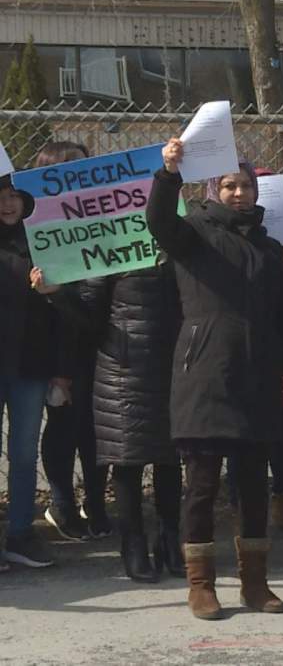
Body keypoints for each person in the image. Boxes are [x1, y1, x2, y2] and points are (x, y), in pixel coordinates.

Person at [148, 138, 283, 620]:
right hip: (204, 380)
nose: (239, 193)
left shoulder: (268, 250)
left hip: (258, 383)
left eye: (246, 186)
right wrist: (168, 174)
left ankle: (255, 584)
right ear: (212, 190)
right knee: (201, 488)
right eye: (229, 185)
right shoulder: (192, 234)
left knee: (253, 487)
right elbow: (158, 221)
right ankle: (201, 585)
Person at [32, 247, 184, 583]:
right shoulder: (109, 251)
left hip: (171, 367)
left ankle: (169, 540)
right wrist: (57, 294)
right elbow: (87, 319)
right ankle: (134, 545)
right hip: (122, 372)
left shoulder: (177, 246)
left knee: (170, 459)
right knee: (127, 460)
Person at [225, 169, 283, 538]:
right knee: (240, 435)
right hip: (243, 351)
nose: (247, 197)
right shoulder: (228, 243)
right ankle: (241, 507)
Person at [35, 141, 112, 543]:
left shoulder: (103, 219)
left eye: (85, 169)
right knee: (65, 424)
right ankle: (61, 503)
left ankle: (95, 503)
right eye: (70, 171)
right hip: (57, 345)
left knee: (97, 430)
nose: (79, 179)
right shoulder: (36, 230)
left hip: (102, 340)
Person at [0, 172, 68, 569]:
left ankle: (21, 535)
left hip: (31, 366)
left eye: (14, 196)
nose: (8, 204)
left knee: (24, 454)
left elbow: (64, 316)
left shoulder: (46, 242)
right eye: (1, 196)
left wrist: (53, 291)